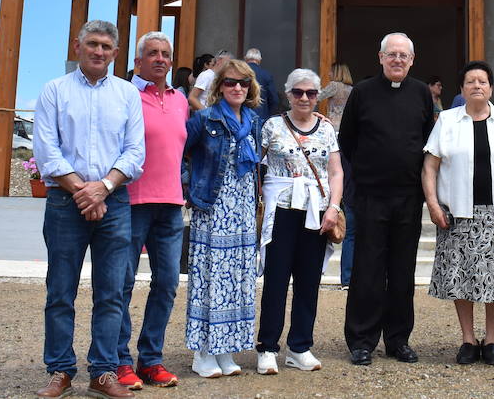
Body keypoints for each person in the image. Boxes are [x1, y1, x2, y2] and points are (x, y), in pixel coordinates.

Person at [32, 20, 145, 399]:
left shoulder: (127, 94)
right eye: (92, 44)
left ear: (116, 54)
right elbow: (47, 150)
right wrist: (84, 192)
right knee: (60, 291)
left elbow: (134, 152)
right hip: (66, 202)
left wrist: (104, 188)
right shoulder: (54, 91)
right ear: (77, 45)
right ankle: (60, 371)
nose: (99, 51)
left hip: (114, 202)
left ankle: (103, 372)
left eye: (106, 47)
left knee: (112, 292)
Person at [338, 32, 436, 365]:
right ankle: (362, 340)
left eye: (403, 56)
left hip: (408, 197)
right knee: (366, 269)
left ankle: (398, 339)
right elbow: (347, 140)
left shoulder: (422, 93)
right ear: (380, 58)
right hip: (369, 196)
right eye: (391, 54)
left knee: (402, 270)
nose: (397, 60)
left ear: (412, 60)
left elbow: (427, 141)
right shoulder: (362, 92)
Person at [421, 61, 494, 365]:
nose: (476, 86)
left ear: (491, 88)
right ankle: (467, 338)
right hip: (458, 212)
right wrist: (432, 203)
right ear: (462, 89)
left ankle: (491, 339)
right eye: (470, 81)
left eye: (482, 81)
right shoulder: (448, 120)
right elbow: (430, 165)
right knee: (460, 276)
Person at [256, 68, 344, 374]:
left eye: (310, 93)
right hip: (281, 209)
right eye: (298, 92)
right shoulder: (271, 126)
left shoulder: (327, 129)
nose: (304, 98)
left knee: (309, 282)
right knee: (276, 281)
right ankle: (267, 346)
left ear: (318, 95)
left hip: (315, 211)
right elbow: (255, 164)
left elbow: (335, 171)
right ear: (288, 94)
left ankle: (300, 346)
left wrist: (333, 207)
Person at [115, 32, 188, 388]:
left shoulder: (180, 100)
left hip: (171, 206)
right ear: (137, 61)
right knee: (122, 283)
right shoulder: (124, 95)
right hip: (131, 204)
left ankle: (151, 359)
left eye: (166, 54)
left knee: (168, 283)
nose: (160, 59)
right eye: (152, 53)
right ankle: (118, 361)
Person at [182, 59, 264, 377]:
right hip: (213, 210)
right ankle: (203, 352)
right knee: (210, 281)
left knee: (238, 281)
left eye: (243, 83)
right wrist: (188, 190)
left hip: (243, 212)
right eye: (230, 82)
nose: (237, 88)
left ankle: (227, 349)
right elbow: (181, 155)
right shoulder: (203, 119)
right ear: (219, 86)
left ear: (251, 87)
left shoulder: (254, 121)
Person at [318, 61, 357, 286]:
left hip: (332, 131)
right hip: (347, 135)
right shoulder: (353, 91)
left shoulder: (334, 86)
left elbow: (317, 96)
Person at [245, 48, 280, 118]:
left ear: (245, 59)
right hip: (260, 116)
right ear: (260, 60)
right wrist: (268, 115)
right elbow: (274, 99)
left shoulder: (239, 73)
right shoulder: (266, 75)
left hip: (240, 115)